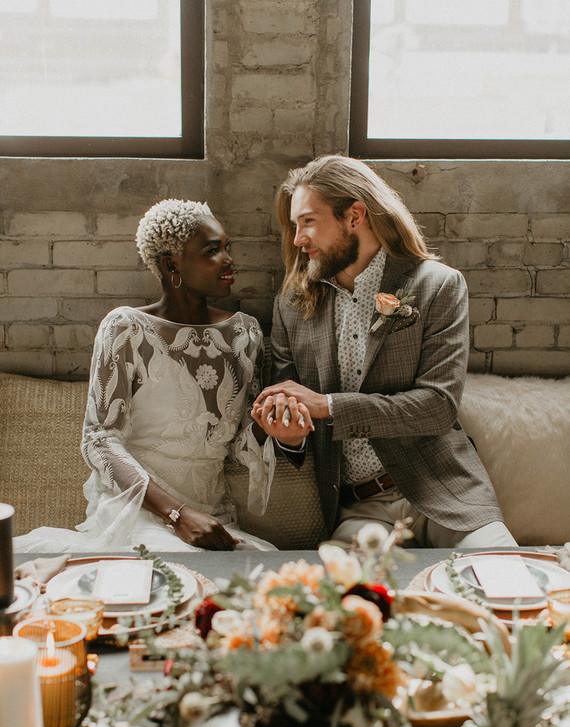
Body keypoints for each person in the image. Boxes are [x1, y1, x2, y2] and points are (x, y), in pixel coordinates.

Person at [15, 199, 312, 554]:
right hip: (138, 512)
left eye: (226, 248)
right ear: (173, 264)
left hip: (215, 517)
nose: (229, 260)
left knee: (261, 576)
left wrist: (272, 430)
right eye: (212, 251)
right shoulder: (126, 329)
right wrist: (178, 514)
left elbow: (235, 449)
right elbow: (100, 439)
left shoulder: (244, 334)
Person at [251, 155, 517, 549]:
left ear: (354, 215)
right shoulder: (292, 304)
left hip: (445, 492)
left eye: (308, 221)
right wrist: (288, 434)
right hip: (360, 510)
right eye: (295, 225)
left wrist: (328, 405)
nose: (297, 239)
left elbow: (437, 406)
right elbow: (294, 424)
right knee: (338, 602)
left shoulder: (437, 285)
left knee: (508, 586)